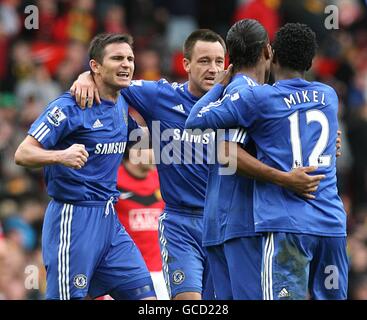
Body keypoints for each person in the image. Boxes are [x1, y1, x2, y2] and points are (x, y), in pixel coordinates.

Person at [71, 29, 325, 300]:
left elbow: (295, 131)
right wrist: (86, 76)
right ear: (186, 64)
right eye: (204, 61)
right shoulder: (160, 97)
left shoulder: (241, 102)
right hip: (181, 223)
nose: (213, 68)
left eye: (218, 61)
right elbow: (114, 80)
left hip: (227, 225)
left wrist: (330, 138)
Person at [186, 23, 348, 300]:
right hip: (331, 222)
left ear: (272, 54)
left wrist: (221, 85)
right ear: (311, 61)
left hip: (287, 223)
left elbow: (196, 123)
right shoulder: (328, 96)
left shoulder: (260, 98)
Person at [14, 33, 156, 300]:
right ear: (95, 66)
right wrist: (61, 156)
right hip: (73, 219)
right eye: (117, 58)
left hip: (110, 222)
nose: (126, 64)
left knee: (147, 299)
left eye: (130, 58)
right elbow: (23, 153)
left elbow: (140, 149)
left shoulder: (122, 103)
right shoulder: (70, 106)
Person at [115, 147, 169, 300]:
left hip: (160, 272)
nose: (156, 153)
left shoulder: (163, 179)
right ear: (134, 151)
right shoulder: (113, 180)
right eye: (150, 147)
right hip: (125, 271)